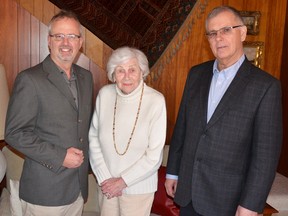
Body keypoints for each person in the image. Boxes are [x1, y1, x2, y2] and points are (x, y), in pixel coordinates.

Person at [165, 6, 282, 216]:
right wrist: (173, 172)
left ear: (243, 33)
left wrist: (251, 204)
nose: (218, 38)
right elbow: (182, 128)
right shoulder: (196, 74)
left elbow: (265, 157)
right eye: (212, 33)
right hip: (189, 192)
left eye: (226, 30)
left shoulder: (266, 86)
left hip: (229, 200)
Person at [5, 10, 93, 216]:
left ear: (80, 42)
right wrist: (60, 156)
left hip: (78, 188)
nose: (65, 42)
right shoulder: (30, 79)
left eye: (72, 36)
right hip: (45, 191)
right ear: (49, 41)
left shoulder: (86, 78)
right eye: (59, 36)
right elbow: (14, 133)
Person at [89, 46, 167, 216]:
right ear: (113, 74)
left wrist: (123, 181)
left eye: (132, 70)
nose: (126, 76)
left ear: (142, 72)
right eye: (120, 71)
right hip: (107, 185)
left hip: (139, 188)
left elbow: (154, 156)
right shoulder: (105, 95)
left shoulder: (155, 101)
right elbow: (93, 138)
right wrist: (105, 179)